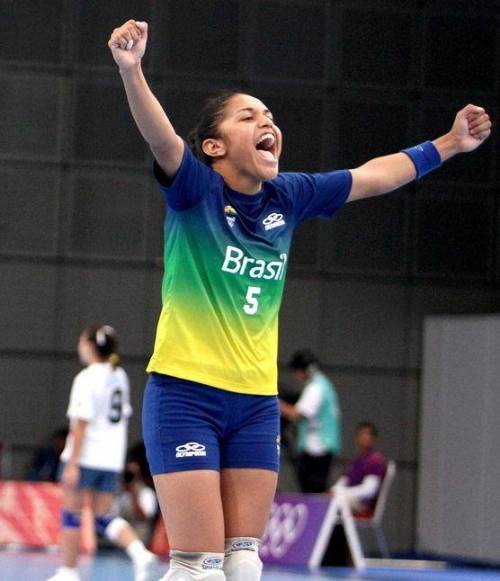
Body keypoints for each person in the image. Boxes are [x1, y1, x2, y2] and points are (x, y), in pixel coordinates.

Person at [107, 19, 491, 581]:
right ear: (213, 147)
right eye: (247, 117)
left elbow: (374, 176)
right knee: (199, 570)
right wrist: (132, 70)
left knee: (244, 565)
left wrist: (450, 144)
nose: (266, 121)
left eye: (269, 116)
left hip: (255, 404)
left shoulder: (289, 196)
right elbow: (162, 138)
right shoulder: (195, 190)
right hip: (186, 395)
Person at [47, 325, 157, 581]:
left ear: (89, 346)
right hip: (110, 459)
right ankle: (139, 552)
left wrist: (72, 463)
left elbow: (80, 423)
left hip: (86, 456)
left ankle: (68, 571)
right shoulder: (119, 376)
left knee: (71, 515)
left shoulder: (86, 378)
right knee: (102, 518)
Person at [280, 350, 341, 493]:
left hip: (317, 447)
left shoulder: (316, 387)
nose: (296, 376)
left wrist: (273, 402)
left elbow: (296, 414)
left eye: (297, 371)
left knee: (313, 489)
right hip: (322, 445)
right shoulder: (324, 385)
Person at [331, 422, 387, 514]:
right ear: (356, 438)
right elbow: (343, 481)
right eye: (361, 434)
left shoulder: (375, 461)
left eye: (368, 434)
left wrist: (341, 493)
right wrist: (333, 491)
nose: (364, 437)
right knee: (324, 501)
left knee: (335, 502)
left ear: (374, 439)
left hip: (362, 505)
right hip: (347, 498)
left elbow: (369, 490)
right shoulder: (354, 462)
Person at [112, 460, 159, 545]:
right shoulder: (117, 492)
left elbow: (142, 517)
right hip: (117, 541)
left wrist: (133, 495)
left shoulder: (146, 493)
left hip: (139, 540)